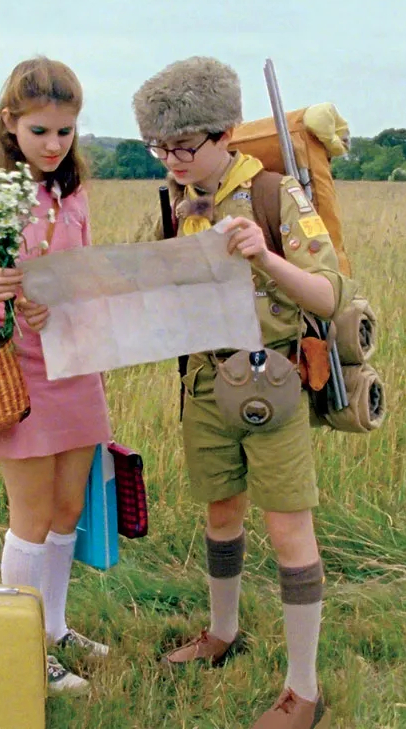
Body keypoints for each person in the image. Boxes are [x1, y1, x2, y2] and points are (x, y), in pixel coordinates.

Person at [132, 56, 340, 728]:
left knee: (288, 531)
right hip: (202, 384)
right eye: (159, 148)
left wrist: (264, 255)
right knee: (221, 514)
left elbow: (328, 295)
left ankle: (302, 690)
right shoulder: (177, 203)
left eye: (184, 147)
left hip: (269, 381)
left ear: (224, 133)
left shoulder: (277, 196)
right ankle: (222, 634)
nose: (172, 160)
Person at [0, 56, 111, 695]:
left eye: (65, 132)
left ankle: (56, 627)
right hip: (18, 372)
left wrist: (69, 297)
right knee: (32, 516)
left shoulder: (74, 192)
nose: (54, 144)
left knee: (69, 509)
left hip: (77, 363)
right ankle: (22, 646)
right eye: (40, 131)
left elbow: (85, 277)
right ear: (10, 122)